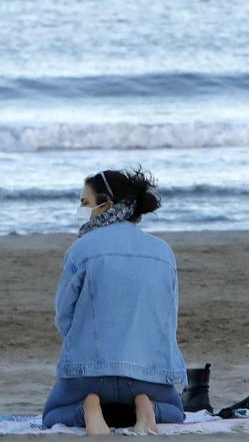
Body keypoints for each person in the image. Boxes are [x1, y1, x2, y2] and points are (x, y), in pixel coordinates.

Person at [43, 169, 186, 435]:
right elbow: (169, 321)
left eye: (85, 203)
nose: (80, 210)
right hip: (147, 375)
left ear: (106, 204)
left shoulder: (81, 249)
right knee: (176, 412)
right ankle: (147, 407)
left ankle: (89, 407)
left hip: (89, 373)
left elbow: (64, 319)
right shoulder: (163, 252)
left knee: (52, 414)